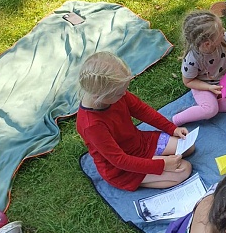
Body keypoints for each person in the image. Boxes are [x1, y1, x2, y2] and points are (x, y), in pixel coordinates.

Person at [77, 52, 193, 191]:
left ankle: (156, 162)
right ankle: (137, 181)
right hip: (122, 169)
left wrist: (172, 128)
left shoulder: (116, 93)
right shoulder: (92, 126)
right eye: (120, 92)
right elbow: (119, 160)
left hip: (139, 143)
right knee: (184, 169)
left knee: (188, 146)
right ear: (100, 96)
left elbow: (142, 110)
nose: (124, 94)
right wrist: (162, 165)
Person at [172, 10, 226, 126]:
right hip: (203, 86)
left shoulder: (224, 39)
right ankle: (176, 119)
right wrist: (209, 88)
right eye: (220, 31)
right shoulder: (192, 59)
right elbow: (188, 81)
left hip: (224, 81)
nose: (224, 31)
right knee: (210, 110)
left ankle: (204, 108)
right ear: (208, 43)